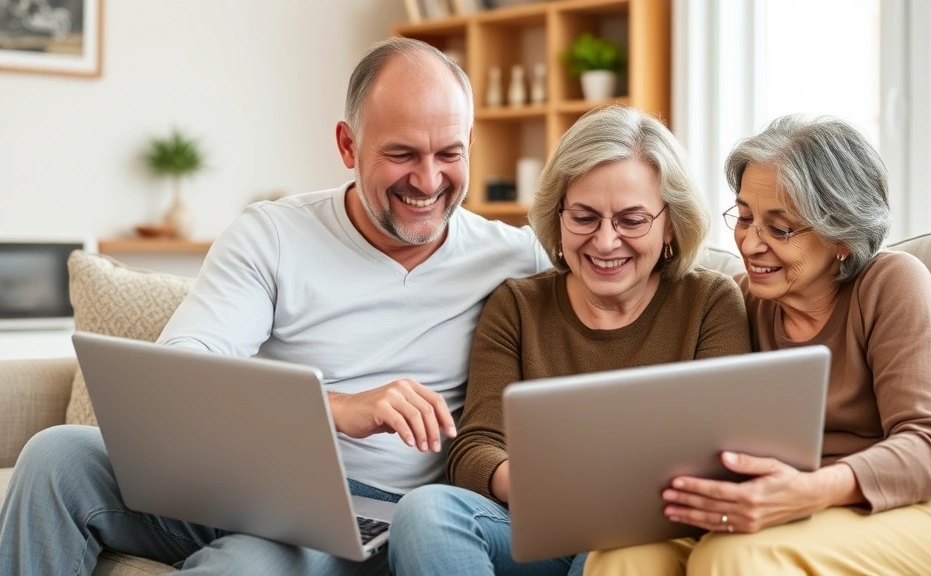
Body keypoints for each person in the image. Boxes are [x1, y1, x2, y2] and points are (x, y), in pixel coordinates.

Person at [0, 37, 551, 576]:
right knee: (57, 457)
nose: (428, 180)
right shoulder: (273, 235)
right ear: (348, 145)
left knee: (244, 567)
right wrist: (335, 407)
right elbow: (182, 372)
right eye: (401, 153)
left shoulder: (515, 258)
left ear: (470, 142)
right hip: (242, 480)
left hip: (378, 512)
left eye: (449, 154)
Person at [582, 114, 931, 575]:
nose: (750, 244)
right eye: (745, 218)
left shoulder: (892, 284)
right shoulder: (738, 302)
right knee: (624, 553)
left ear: (841, 236)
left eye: (780, 228)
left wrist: (807, 492)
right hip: (801, 510)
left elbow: (930, 448)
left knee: (736, 557)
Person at [388, 104, 752, 576]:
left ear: (670, 223)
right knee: (424, 512)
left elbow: (723, 454)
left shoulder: (710, 301)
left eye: (632, 220)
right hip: (541, 522)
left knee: (610, 556)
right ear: (558, 217)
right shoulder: (517, 305)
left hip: (650, 531)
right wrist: (528, 483)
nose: (605, 242)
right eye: (584, 217)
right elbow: (475, 445)